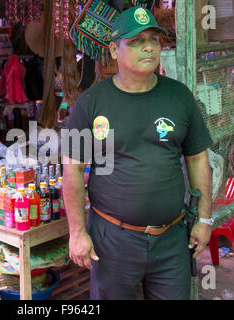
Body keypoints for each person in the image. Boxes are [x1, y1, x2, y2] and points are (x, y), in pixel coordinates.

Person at [62, 6, 214, 300]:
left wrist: (204, 220)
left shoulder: (179, 96)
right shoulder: (91, 103)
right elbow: (74, 171)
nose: (148, 46)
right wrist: (77, 232)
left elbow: (198, 159)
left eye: (153, 39)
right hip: (113, 240)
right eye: (135, 41)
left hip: (172, 241)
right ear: (113, 50)